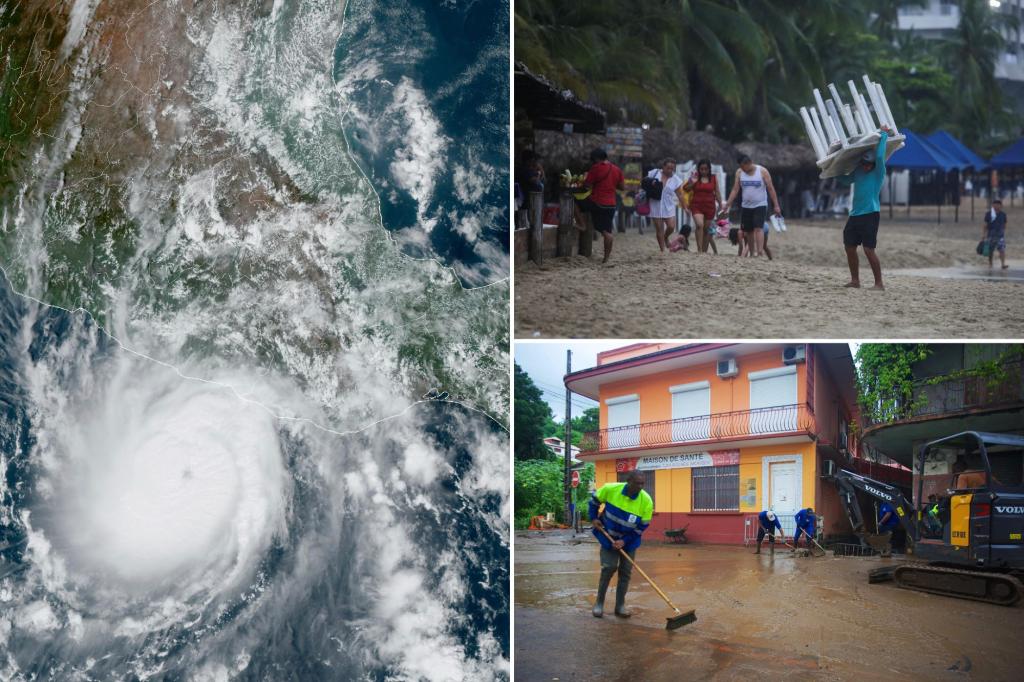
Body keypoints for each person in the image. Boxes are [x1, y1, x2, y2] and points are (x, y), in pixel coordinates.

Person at [589, 471, 653, 618]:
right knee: (609, 568)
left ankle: (620, 606)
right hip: (608, 537)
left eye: (642, 483)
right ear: (628, 481)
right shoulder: (611, 489)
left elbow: (641, 527)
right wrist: (593, 518)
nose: (640, 486)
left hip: (629, 542)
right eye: (637, 483)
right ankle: (599, 603)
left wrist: (624, 540)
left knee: (625, 573)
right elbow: (594, 501)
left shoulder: (646, 501)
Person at [840, 126, 892, 289]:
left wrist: (883, 135)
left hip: (870, 214)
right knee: (849, 247)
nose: (866, 167)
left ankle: (879, 283)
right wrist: (831, 171)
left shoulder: (879, 172)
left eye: (869, 164)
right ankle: (855, 280)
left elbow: (879, 155)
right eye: (864, 164)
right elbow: (846, 181)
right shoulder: (859, 171)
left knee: (869, 249)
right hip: (855, 214)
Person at [723, 155, 781, 257]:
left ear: (749, 163)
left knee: (758, 228)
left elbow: (771, 189)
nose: (742, 169)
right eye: (740, 167)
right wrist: (728, 204)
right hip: (746, 205)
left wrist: (776, 205)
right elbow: (735, 189)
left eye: (743, 167)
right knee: (748, 230)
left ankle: (759, 253)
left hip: (760, 204)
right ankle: (752, 253)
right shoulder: (739, 172)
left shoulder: (762, 171)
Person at [581, 148, 625, 263]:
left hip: (598, 202)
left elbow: (587, 186)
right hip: (611, 204)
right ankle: (606, 257)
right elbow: (622, 187)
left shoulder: (596, 168)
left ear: (596, 159)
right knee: (607, 230)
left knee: (576, 202)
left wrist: (586, 178)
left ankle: (581, 224)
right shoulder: (617, 169)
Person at [646, 158, 686, 252]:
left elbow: (680, 194)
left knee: (671, 226)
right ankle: (662, 250)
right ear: (663, 167)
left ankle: (666, 236)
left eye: (672, 169)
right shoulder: (654, 173)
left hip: (668, 206)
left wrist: (685, 207)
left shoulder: (676, 179)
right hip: (655, 204)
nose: (670, 170)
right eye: (668, 168)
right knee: (659, 229)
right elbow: (645, 183)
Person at [683, 159, 721, 254]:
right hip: (696, 205)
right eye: (701, 169)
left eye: (706, 169)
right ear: (698, 169)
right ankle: (699, 249)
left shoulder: (713, 178)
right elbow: (685, 189)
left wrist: (720, 204)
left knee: (706, 229)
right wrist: (693, 182)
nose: (703, 171)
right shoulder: (694, 177)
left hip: (710, 206)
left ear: (709, 169)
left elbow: (717, 191)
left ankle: (704, 251)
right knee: (699, 225)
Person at [983, 198, 1008, 270]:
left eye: (998, 204)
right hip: (990, 235)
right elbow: (985, 225)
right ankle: (990, 263)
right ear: (993, 205)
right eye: (995, 204)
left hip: (1000, 235)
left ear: (1001, 206)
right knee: (990, 250)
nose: (997, 206)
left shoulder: (1003, 214)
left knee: (1002, 250)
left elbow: (1005, 224)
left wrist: (1002, 231)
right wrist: (983, 235)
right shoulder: (988, 214)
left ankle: (1003, 264)